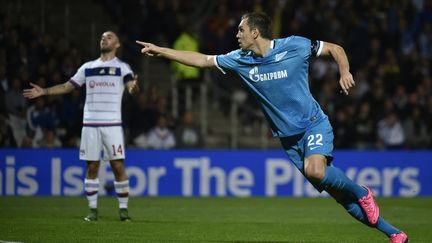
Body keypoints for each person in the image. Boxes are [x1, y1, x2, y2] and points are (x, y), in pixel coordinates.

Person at [136, 12, 408, 243]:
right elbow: (202, 59)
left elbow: (336, 49)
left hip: (313, 124)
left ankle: (363, 192)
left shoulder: (295, 45)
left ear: (255, 32)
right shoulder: (239, 59)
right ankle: (394, 234)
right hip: (289, 140)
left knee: (317, 172)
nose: (237, 34)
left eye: (241, 30)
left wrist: (345, 71)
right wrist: (161, 51)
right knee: (338, 196)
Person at [24, 31, 139, 222]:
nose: (104, 39)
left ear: (117, 44)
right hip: (90, 124)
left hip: (112, 124)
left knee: (117, 166)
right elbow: (66, 86)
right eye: (102, 37)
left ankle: (123, 211)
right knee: (92, 167)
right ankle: (93, 211)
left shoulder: (121, 67)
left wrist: (133, 87)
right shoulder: (88, 67)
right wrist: (43, 91)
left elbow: (130, 86)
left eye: (109, 37)